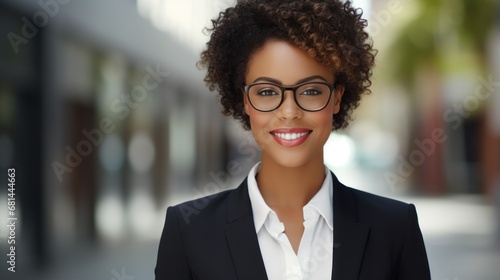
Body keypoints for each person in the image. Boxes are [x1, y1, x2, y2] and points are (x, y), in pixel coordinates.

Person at [155, 0, 431, 279]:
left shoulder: (396, 228)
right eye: (267, 92)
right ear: (245, 101)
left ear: (336, 98)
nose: (289, 112)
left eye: (311, 91)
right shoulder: (188, 232)